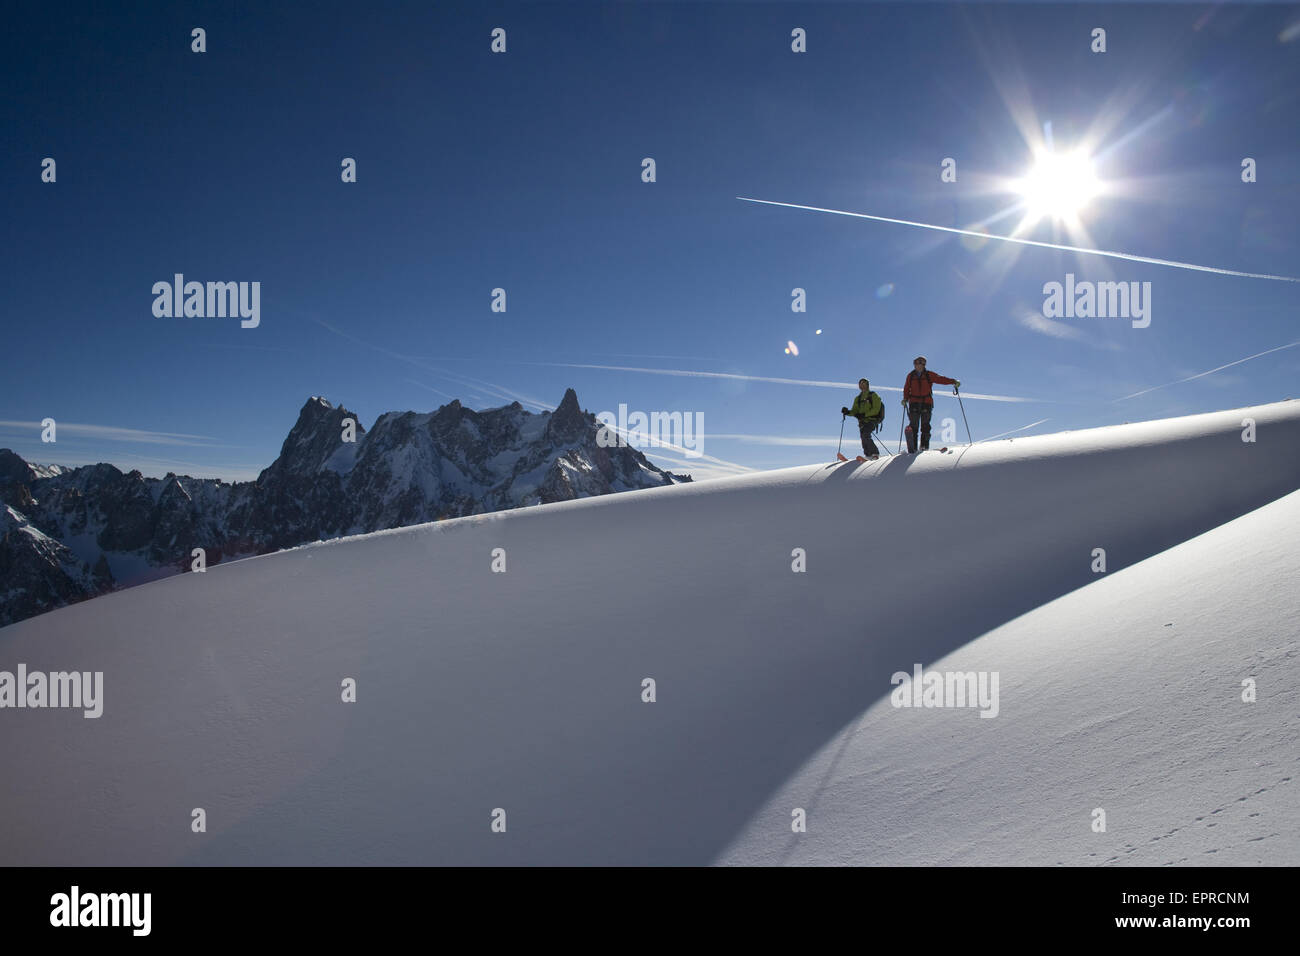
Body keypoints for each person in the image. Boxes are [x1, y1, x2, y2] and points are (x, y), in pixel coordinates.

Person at [901, 356, 959, 453]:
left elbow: (940, 379)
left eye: (922, 363)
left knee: (925, 426)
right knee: (914, 426)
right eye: (917, 363)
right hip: (914, 403)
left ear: (924, 365)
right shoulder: (910, 376)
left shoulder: (929, 375)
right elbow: (906, 388)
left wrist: (953, 381)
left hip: (926, 403)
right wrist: (905, 398)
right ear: (914, 364)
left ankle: (924, 446)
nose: (919, 365)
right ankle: (913, 447)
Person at [841, 378, 885, 460]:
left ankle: (875, 453)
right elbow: (855, 411)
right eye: (860, 384)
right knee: (863, 436)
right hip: (863, 421)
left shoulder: (873, 395)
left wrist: (864, 415)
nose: (862, 385)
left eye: (863, 383)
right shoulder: (858, 399)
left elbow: (876, 409)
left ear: (867, 385)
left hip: (872, 420)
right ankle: (868, 455)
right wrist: (847, 412)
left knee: (865, 434)